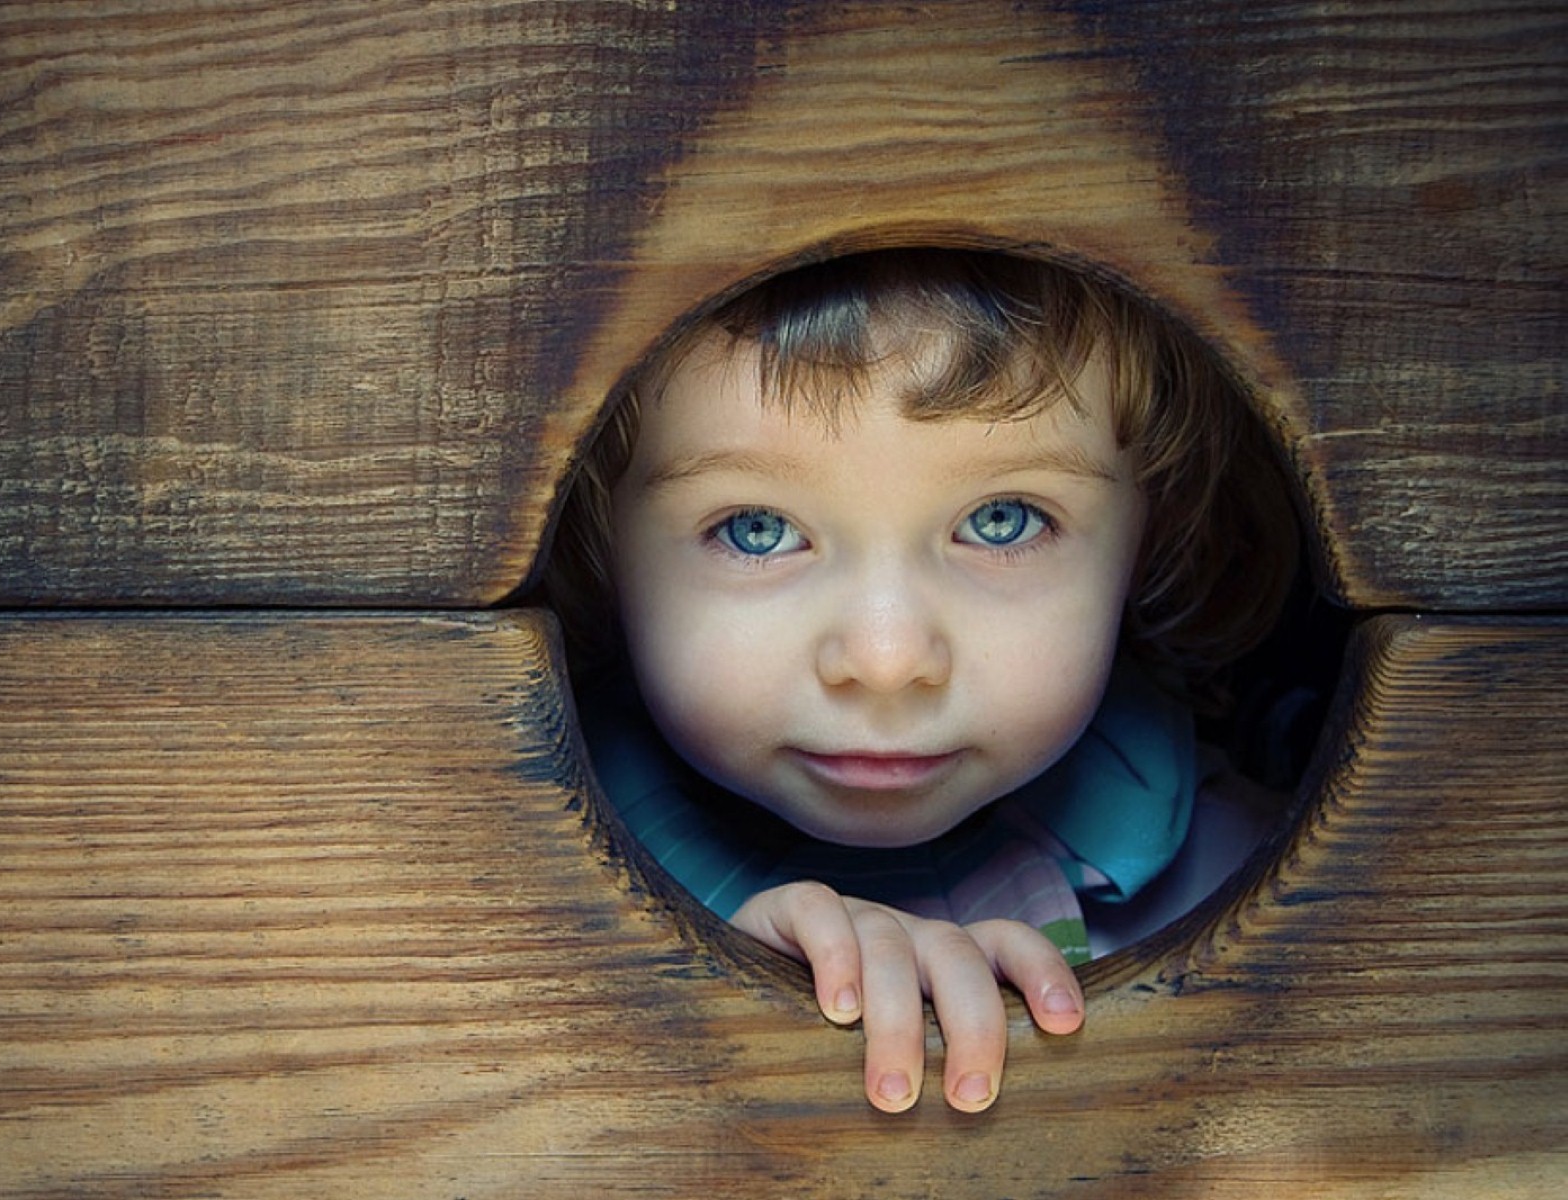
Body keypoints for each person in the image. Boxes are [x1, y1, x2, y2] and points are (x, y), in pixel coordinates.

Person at [544, 248, 1301, 1114]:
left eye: (1000, 519)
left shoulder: (1257, 865)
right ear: (602, 545)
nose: (887, 658)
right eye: (756, 528)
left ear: (1151, 532)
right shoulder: (509, 873)